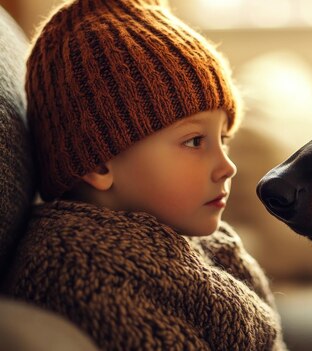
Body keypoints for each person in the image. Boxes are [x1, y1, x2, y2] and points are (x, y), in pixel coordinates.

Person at [5, 0, 287, 349]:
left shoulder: (184, 237)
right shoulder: (88, 275)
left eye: (223, 140)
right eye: (195, 140)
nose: (227, 167)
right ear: (99, 164)